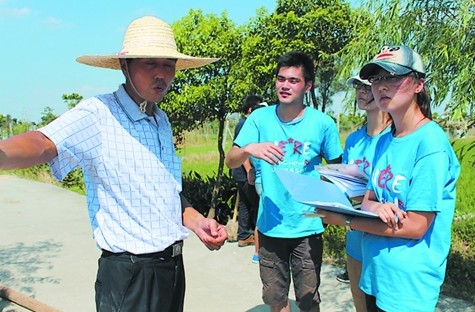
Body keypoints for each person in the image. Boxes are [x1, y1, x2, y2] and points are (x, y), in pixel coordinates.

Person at [0, 16, 228, 312]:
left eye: (168, 65)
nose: (161, 74)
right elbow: (43, 143)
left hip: (171, 267)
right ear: (125, 66)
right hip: (130, 274)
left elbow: (166, 191)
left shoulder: (161, 121)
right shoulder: (98, 114)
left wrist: (199, 223)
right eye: (149, 63)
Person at [317, 45, 460, 312]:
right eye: (376, 79)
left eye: (393, 77)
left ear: (419, 84)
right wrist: (375, 208)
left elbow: (417, 225)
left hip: (407, 286)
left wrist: (348, 220)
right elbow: (369, 200)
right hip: (376, 275)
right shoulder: (385, 140)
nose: (381, 86)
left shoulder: (430, 142)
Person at [225, 51, 343, 312]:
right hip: (270, 228)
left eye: (293, 80)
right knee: (276, 300)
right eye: (281, 79)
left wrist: (329, 205)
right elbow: (231, 160)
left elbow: (338, 171)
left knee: (308, 299)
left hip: (308, 227)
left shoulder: (322, 124)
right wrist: (249, 149)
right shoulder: (259, 119)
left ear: (308, 85)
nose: (284, 86)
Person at [337, 75, 392, 311]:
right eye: (359, 86)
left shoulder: (395, 139)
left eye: (367, 86)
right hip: (355, 237)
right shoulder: (353, 140)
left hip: (385, 238)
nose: (362, 91)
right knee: (361, 304)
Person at [231, 95, 263, 249]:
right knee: (257, 205)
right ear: (251, 109)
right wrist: (250, 170)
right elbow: (242, 151)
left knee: (244, 204)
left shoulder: (242, 123)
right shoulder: (246, 124)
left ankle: (243, 235)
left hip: (239, 172)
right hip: (244, 172)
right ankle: (259, 239)